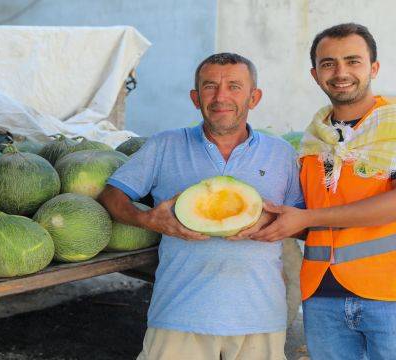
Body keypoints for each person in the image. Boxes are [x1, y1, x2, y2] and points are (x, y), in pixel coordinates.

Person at [245, 23, 396, 359]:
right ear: (315, 74)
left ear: (374, 68)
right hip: (322, 294)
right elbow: (307, 218)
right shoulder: (314, 140)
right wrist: (255, 219)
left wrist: (308, 216)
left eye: (353, 61)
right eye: (328, 63)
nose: (340, 72)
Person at [98, 52, 303, 360]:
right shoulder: (164, 145)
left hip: (259, 317)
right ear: (196, 98)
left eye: (234, 86)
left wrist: (271, 225)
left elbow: (300, 221)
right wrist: (149, 220)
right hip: (179, 313)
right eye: (210, 86)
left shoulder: (282, 154)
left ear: (254, 97)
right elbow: (112, 196)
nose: (221, 96)